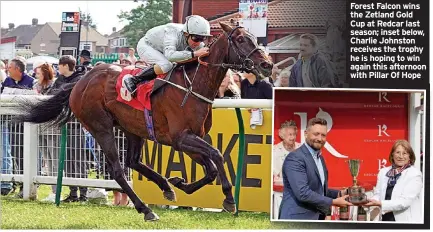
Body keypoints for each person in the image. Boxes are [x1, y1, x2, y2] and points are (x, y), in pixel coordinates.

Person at [279, 117, 352, 220]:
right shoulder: (295, 158)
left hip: (315, 219)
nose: (320, 138)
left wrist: (341, 193)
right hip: (297, 220)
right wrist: (333, 202)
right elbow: (303, 193)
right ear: (305, 133)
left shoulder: (320, 158)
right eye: (316, 134)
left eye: (323, 135)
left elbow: (318, 190)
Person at [123, 15, 212, 97]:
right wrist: (195, 54)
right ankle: (134, 80)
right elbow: (170, 56)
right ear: (186, 34)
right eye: (196, 38)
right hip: (146, 46)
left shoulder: (194, 38)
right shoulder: (172, 32)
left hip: (162, 50)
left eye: (203, 38)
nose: (199, 42)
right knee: (166, 65)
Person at [365, 140, 422, 223]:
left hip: (405, 222)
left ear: (410, 156)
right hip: (385, 219)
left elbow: (405, 202)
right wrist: (368, 201)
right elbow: (378, 194)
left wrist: (380, 203)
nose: (401, 156)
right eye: (397, 152)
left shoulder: (415, 174)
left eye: (404, 153)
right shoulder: (383, 172)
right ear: (392, 155)